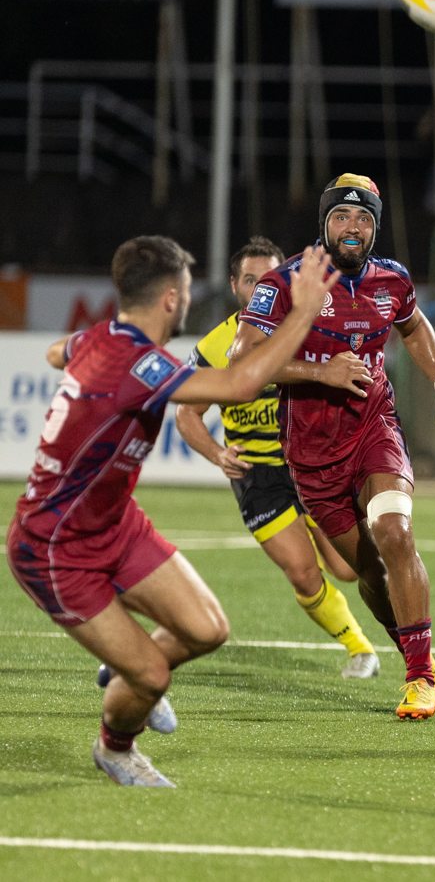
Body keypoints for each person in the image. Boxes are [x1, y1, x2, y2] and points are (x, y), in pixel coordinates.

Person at [9, 236, 337, 787]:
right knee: (153, 675)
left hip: (113, 523)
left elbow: (55, 353)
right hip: (53, 547)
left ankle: (125, 665)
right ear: (169, 299)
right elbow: (239, 384)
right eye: (186, 292)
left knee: (208, 629)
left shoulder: (102, 339)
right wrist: (302, 312)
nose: (189, 301)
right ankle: (116, 747)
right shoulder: (139, 365)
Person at [232, 174, 435, 721]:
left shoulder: (393, 280)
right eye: (341, 216)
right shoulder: (287, 281)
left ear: (375, 227)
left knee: (395, 532)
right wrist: (322, 371)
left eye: (363, 218)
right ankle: (422, 663)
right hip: (311, 452)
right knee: (369, 574)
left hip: (373, 427)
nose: (352, 227)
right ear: (325, 223)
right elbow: (243, 361)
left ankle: (417, 677)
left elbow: (414, 327)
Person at [175, 236, 379, 679]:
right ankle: (360, 649)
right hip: (258, 475)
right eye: (250, 280)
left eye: (268, 277)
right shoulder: (216, 346)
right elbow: (187, 414)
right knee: (303, 573)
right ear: (235, 285)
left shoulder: (312, 329)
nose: (259, 288)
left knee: (348, 568)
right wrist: (217, 454)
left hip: (312, 463)